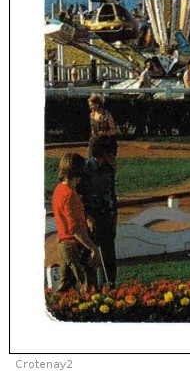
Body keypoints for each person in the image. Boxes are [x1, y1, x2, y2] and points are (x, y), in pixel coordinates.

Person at [51, 152, 100, 292]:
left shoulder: (60, 189)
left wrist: (85, 218)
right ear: (76, 171)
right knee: (89, 288)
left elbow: (71, 216)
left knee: (65, 289)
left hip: (65, 246)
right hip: (74, 246)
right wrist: (93, 248)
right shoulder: (69, 195)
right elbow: (75, 230)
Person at [80, 134, 118, 286]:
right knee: (92, 257)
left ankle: (110, 286)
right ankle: (92, 290)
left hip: (107, 217)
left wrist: (115, 216)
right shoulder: (86, 170)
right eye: (112, 154)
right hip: (92, 219)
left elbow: (111, 195)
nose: (114, 157)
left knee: (109, 256)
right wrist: (87, 216)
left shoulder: (109, 170)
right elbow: (81, 196)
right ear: (104, 153)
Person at [87, 94, 118, 160]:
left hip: (108, 140)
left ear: (97, 104)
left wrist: (104, 133)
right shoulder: (92, 115)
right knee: (92, 142)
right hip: (97, 140)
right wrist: (94, 133)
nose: (90, 107)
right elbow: (93, 129)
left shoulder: (107, 115)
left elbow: (114, 130)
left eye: (91, 105)